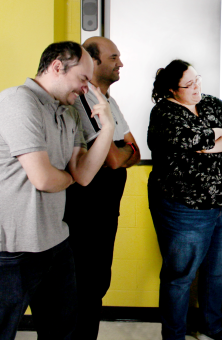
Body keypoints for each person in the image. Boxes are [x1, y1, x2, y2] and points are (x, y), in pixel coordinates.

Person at [0, 41, 115, 340]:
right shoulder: (17, 102)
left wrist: (108, 128)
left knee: (62, 330)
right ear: (58, 66)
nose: (86, 89)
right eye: (83, 79)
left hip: (54, 241)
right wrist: (68, 176)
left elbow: (84, 176)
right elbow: (45, 179)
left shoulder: (70, 112)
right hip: (10, 245)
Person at [147, 59, 222, 340]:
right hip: (184, 209)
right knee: (180, 276)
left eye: (197, 80)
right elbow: (192, 140)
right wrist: (215, 135)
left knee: (218, 269)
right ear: (171, 89)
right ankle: (174, 335)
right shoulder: (164, 113)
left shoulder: (212, 102)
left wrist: (210, 144)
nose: (196, 87)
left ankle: (211, 326)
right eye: (188, 84)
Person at [65, 37, 141, 339]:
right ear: (93, 61)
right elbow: (112, 158)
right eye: (113, 57)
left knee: (97, 283)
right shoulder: (83, 102)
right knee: (84, 285)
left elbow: (137, 151)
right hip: (86, 215)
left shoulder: (109, 101)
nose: (120, 63)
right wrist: (123, 152)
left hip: (107, 213)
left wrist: (124, 152)